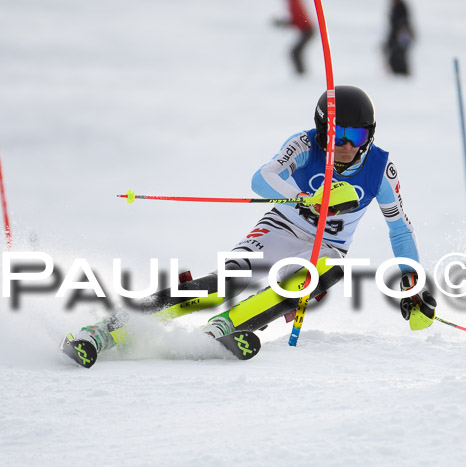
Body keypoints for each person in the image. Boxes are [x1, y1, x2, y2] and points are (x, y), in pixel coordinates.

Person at [61, 86, 437, 366]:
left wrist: (412, 283)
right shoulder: (303, 145)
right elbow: (261, 178)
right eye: (337, 136)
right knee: (224, 282)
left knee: (320, 272)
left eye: (356, 137)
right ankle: (106, 329)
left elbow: (400, 229)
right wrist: (302, 197)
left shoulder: (381, 169)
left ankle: (226, 326)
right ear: (322, 130)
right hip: (280, 228)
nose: (345, 147)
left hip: (326, 248)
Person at [274, 0, 315, 75]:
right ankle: (301, 73)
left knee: (295, 52)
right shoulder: (293, 3)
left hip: (308, 30)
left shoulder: (294, 2)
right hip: (306, 30)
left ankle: (302, 74)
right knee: (296, 52)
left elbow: (298, 18)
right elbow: (297, 18)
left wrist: (285, 23)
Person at [384, 0, 414, 76]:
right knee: (393, 58)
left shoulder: (401, 7)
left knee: (399, 58)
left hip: (400, 37)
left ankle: (402, 75)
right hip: (394, 37)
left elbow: (404, 22)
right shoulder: (394, 7)